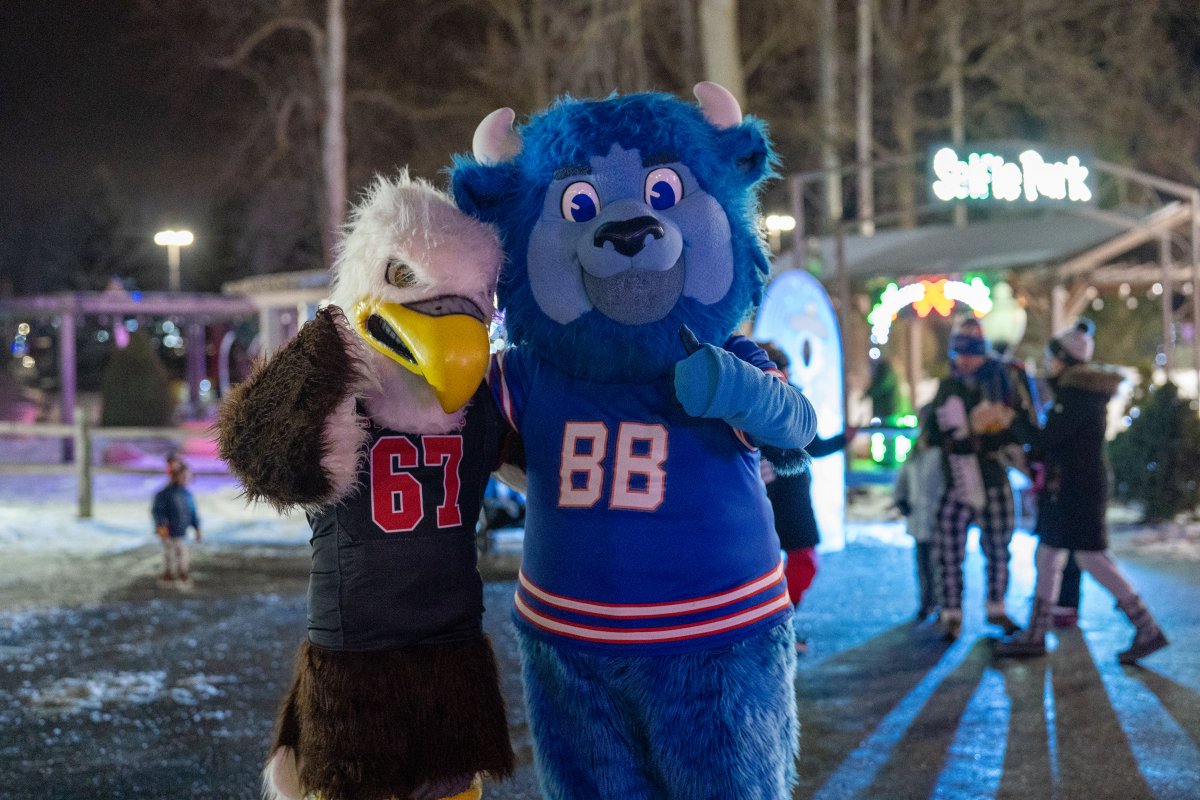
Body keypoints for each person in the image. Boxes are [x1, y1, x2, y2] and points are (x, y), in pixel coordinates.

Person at [996, 320, 1169, 663]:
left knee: (1089, 558)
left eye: (1052, 358)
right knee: (1052, 556)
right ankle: (1037, 633)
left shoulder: (1077, 395)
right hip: (1073, 487)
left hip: (1076, 490)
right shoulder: (1080, 393)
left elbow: (1047, 440)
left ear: (1063, 359)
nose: (1049, 364)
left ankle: (1145, 628)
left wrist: (1013, 420)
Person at [927, 317, 1034, 641]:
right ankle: (952, 613)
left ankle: (997, 608)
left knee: (998, 548)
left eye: (970, 352)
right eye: (959, 353)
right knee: (948, 548)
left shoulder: (1003, 380)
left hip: (992, 475)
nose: (964, 360)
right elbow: (931, 431)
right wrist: (948, 434)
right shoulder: (950, 385)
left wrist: (992, 436)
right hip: (958, 478)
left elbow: (1023, 427)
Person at [757, 342, 855, 654]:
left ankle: (781, 623)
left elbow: (812, 445)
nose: (783, 375)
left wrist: (843, 440)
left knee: (803, 561)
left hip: (793, 494)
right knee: (762, 567)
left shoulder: (795, 401)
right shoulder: (747, 405)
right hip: (762, 495)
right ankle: (772, 629)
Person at [894, 405, 944, 622]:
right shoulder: (916, 451)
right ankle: (927, 602)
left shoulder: (942, 451)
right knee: (923, 564)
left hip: (938, 519)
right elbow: (904, 476)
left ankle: (944, 604)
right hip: (919, 518)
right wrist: (901, 499)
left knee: (941, 565)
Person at [152, 459, 201, 586]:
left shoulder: (187, 495)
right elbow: (158, 510)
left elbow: (192, 512)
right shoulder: (165, 494)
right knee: (169, 551)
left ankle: (182, 573)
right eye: (183, 476)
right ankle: (169, 573)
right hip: (167, 530)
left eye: (187, 477)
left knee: (181, 551)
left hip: (180, 530)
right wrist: (161, 524)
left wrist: (197, 527)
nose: (185, 479)